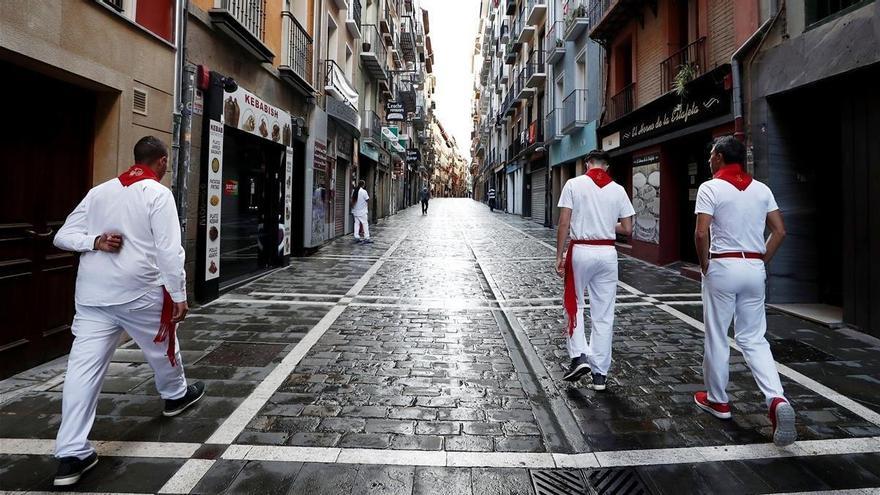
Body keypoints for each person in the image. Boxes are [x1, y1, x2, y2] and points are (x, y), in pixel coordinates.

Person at [51, 136, 205, 486]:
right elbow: (169, 250)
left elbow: (62, 236)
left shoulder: (99, 192)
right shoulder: (157, 194)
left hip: (92, 296)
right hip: (138, 293)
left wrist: (92, 242)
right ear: (163, 162)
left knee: (82, 370)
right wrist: (178, 293)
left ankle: (71, 454)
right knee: (163, 346)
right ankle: (175, 393)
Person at [693, 136, 795, 447]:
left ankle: (718, 400)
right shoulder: (762, 189)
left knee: (717, 334)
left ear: (721, 157)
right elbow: (780, 230)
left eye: (711, 154)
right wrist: (760, 259)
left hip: (722, 266)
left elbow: (701, 231)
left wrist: (705, 264)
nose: (710, 159)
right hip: (754, 268)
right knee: (753, 337)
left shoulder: (710, 187)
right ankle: (776, 400)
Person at [556, 150, 634, 390]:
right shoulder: (618, 189)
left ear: (588, 164)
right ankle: (600, 374)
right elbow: (628, 228)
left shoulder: (574, 184)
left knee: (575, 303)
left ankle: (579, 355)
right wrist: (603, 221)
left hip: (581, 251)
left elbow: (564, 222)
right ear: (606, 166)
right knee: (604, 313)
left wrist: (559, 255)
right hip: (607, 254)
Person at [351, 179, 372, 244]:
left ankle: (356, 236)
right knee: (365, 224)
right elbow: (367, 199)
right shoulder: (364, 191)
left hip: (355, 211)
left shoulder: (354, 191)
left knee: (356, 224)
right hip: (362, 211)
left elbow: (352, 199)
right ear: (363, 185)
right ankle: (367, 237)